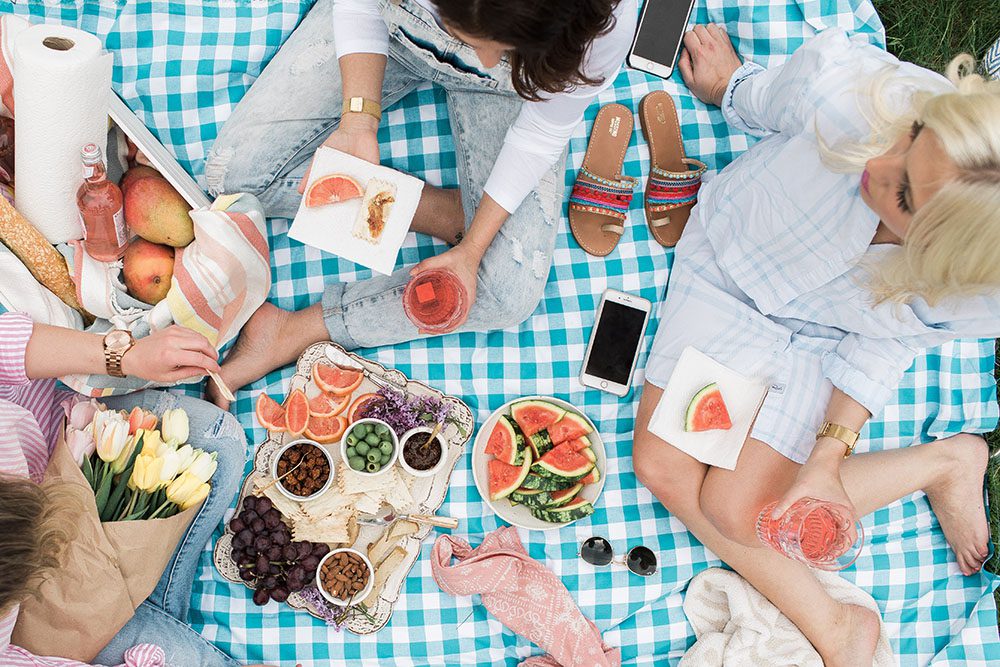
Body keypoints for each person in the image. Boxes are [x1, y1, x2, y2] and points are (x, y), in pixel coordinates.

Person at [631, 24, 1000, 667]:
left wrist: (829, 458)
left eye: (905, 196)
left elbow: (887, 343)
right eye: (914, 137)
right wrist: (731, 86)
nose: (878, 164)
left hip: (830, 340)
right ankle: (840, 620)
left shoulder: (979, 296)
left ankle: (952, 462)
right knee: (662, 464)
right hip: (730, 282)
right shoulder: (853, 94)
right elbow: (772, 96)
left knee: (739, 507)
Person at [204, 0, 637, 406]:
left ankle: (292, 331)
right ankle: (444, 212)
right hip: (392, 27)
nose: (484, 58)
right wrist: (358, 120)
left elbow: (542, 131)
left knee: (506, 293)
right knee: (234, 177)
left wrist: (472, 251)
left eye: (504, 48)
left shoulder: (601, 19)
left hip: (506, 90)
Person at [0, 313, 272, 667]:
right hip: (47, 628)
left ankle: (141, 600)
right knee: (183, 657)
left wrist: (125, 356)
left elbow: (6, 345)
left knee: (217, 435)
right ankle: (146, 599)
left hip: (69, 451)